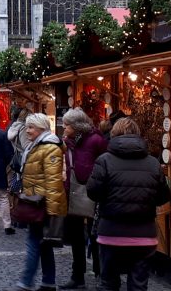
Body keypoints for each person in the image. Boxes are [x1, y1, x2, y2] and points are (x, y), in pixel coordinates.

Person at [86, 117, 171, 291]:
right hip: (143, 235)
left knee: (108, 283)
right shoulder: (153, 163)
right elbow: (163, 196)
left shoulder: (104, 160)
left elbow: (92, 192)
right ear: (138, 135)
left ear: (114, 134)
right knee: (138, 285)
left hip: (110, 232)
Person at [15, 113, 67, 291]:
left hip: (42, 204)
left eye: (31, 127)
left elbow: (53, 182)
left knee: (33, 242)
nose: (27, 131)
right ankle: (48, 282)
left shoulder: (49, 148)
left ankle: (26, 281)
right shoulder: (36, 146)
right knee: (43, 244)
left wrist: (53, 213)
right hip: (35, 201)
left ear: (41, 128)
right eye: (27, 127)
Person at [60, 108, 109, 289]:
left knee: (96, 234)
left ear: (76, 126)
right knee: (76, 237)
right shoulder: (67, 142)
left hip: (93, 193)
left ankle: (100, 273)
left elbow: (105, 164)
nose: (63, 127)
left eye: (67, 125)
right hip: (73, 192)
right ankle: (77, 275)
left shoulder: (96, 140)